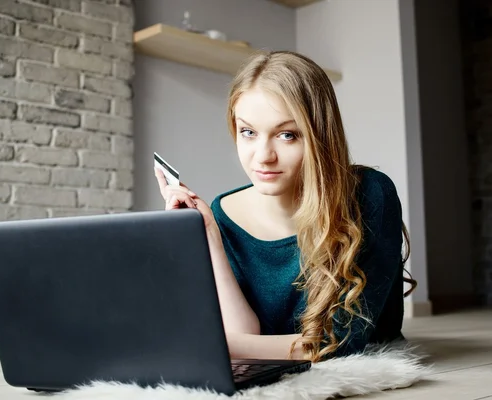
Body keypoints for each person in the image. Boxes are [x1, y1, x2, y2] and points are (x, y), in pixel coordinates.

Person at [154, 50, 417, 363]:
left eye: (287, 135)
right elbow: (245, 333)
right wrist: (208, 236)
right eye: (248, 132)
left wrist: (218, 347)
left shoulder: (371, 194)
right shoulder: (223, 211)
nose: (263, 155)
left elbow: (342, 343)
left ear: (320, 135)